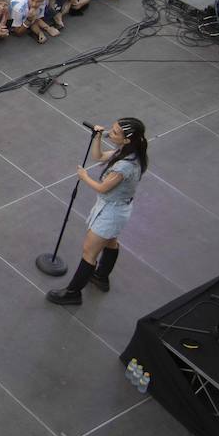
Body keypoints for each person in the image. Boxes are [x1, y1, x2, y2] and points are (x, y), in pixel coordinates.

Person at [47, 118, 149, 305]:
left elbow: (103, 188)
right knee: (110, 242)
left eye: (116, 132)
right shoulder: (127, 151)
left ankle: (73, 293)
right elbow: (98, 156)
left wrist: (84, 177)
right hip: (116, 208)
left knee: (89, 252)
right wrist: (98, 137)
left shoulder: (124, 165)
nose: (112, 132)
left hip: (111, 212)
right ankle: (101, 277)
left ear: (127, 140)